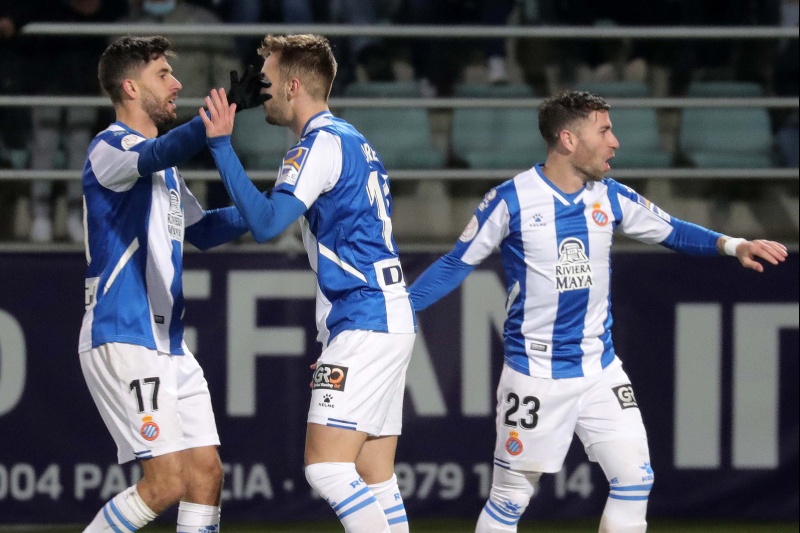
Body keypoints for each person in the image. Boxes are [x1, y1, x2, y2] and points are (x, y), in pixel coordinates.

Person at [407, 91, 788, 533]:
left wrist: (734, 245)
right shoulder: (511, 200)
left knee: (635, 479)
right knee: (510, 499)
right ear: (568, 140)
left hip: (600, 369)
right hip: (536, 373)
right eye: (604, 130)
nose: (615, 142)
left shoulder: (610, 196)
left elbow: (671, 230)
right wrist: (398, 312)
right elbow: (454, 264)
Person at [199, 34, 416, 533]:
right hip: (383, 317)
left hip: (364, 317)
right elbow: (265, 210)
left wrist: (220, 147)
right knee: (375, 475)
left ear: (293, 86)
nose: (260, 91)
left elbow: (267, 224)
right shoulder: (350, 139)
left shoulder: (317, 144)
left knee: (327, 467)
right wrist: (194, 227)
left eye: (266, 81)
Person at [78, 35, 262, 532]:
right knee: (165, 484)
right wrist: (221, 111)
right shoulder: (110, 148)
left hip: (169, 344)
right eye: (163, 74)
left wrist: (278, 202)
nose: (176, 83)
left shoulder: (167, 169)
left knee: (206, 475)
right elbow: (162, 149)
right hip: (125, 334)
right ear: (130, 88)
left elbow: (203, 231)